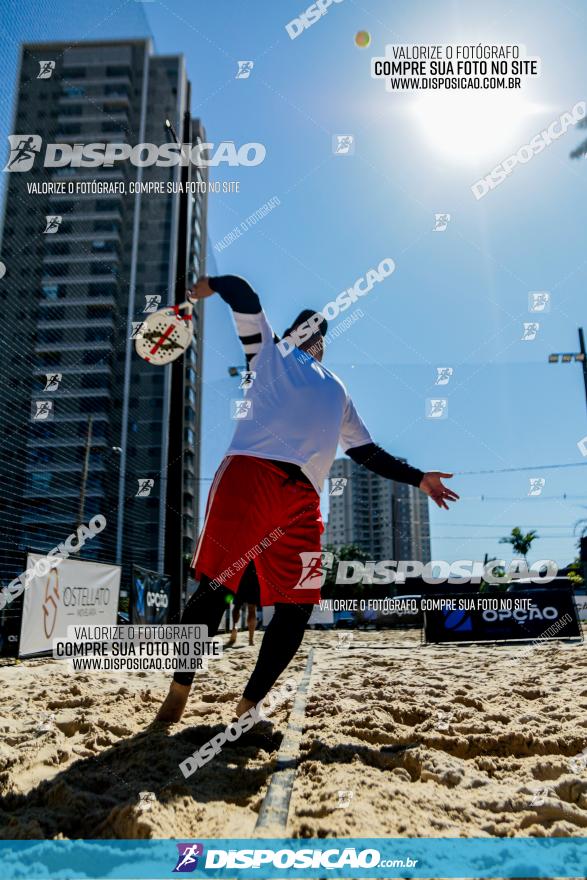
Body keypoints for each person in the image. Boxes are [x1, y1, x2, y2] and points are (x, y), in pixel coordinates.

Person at [155, 275, 458, 723]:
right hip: (250, 473)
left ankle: (247, 709)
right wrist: (208, 286)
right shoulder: (270, 354)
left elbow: (365, 452)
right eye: (312, 331)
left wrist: (418, 479)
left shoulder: (336, 388)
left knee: (298, 606)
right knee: (216, 589)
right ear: (300, 335)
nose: (316, 338)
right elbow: (245, 294)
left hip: (302, 502)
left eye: (319, 333)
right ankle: (179, 692)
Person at [228, 561, 259, 646]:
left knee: (237, 606)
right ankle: (251, 640)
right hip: (254, 576)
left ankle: (234, 628)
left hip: (241, 574)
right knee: (252, 609)